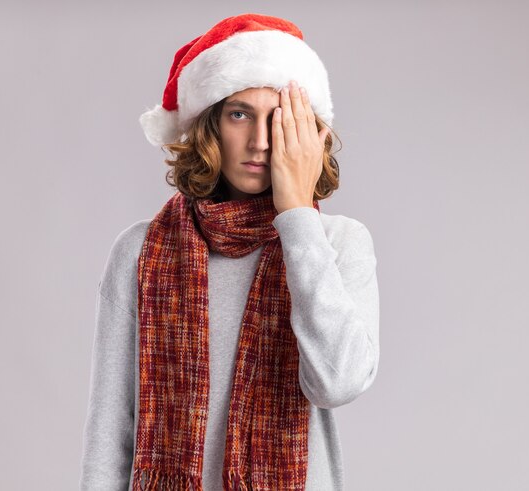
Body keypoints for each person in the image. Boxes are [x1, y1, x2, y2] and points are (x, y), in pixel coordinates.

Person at [79, 13, 380, 491]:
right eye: (240, 114)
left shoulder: (339, 243)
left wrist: (298, 214)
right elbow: (111, 431)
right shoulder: (140, 252)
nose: (261, 141)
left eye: (280, 117)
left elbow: (337, 382)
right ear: (210, 124)